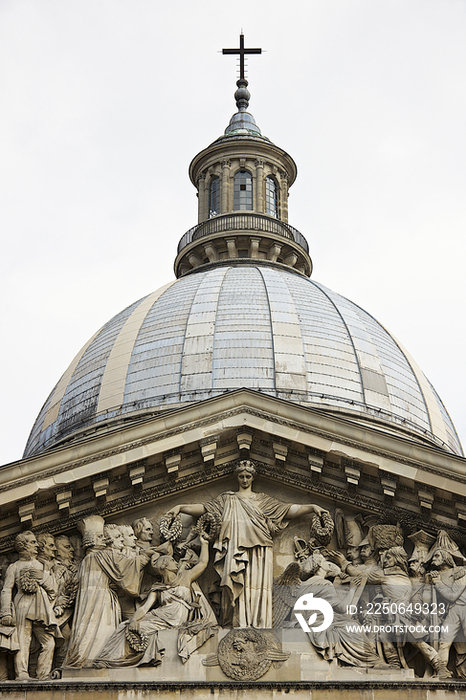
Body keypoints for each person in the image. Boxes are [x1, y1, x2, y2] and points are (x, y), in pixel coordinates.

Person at [169, 460, 328, 628]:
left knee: (257, 587)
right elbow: (203, 508)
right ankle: (237, 622)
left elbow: (288, 509)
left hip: (260, 550)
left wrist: (312, 506)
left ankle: (259, 623)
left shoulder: (264, 501)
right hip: (234, 548)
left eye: (248, 477)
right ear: (237, 478)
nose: (245, 480)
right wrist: (180, 507)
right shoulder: (227, 499)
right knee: (235, 586)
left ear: (253, 478)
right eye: (241, 476)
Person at [94, 535, 216, 667]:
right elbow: (144, 608)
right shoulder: (157, 587)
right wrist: (134, 620)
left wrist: (204, 544)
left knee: (132, 629)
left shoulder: (185, 577)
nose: (176, 562)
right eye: (171, 560)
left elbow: (202, 564)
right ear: (164, 565)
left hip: (175, 618)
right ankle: (109, 659)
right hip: (160, 617)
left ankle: (115, 659)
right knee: (125, 626)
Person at [64, 516, 154, 668]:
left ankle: (85, 657)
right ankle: (95, 659)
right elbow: (127, 567)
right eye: (100, 537)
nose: (104, 540)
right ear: (92, 540)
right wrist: (146, 554)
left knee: (89, 629)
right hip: (102, 600)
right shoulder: (101, 555)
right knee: (101, 630)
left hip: (89, 602)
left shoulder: (86, 559)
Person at [0, 531, 61, 680]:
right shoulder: (14, 567)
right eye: (33, 542)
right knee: (23, 640)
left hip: (41, 605)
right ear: (23, 546)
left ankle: (43, 674)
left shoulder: (43, 565)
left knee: (49, 642)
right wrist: (6, 612)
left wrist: (42, 578)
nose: (37, 545)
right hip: (22, 603)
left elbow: (53, 588)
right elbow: (6, 589)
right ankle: (22, 674)